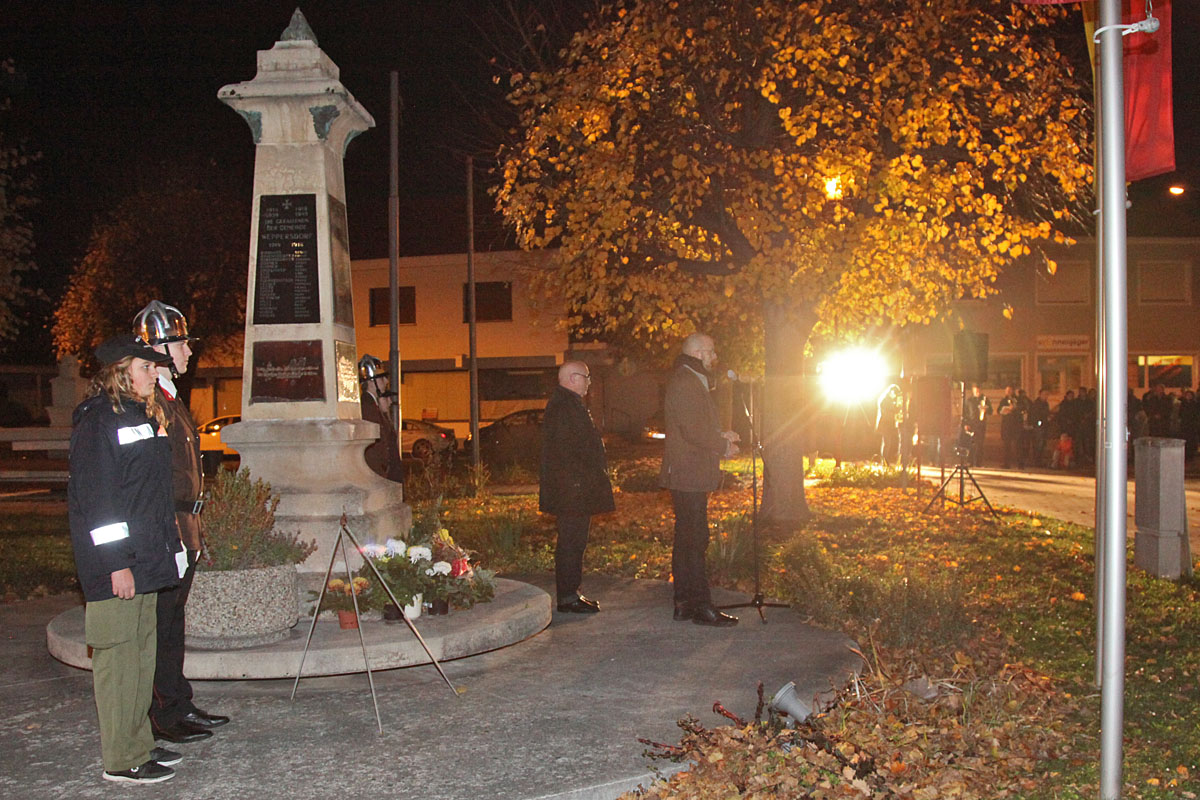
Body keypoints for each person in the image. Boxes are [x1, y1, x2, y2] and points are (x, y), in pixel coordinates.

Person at [69, 335, 181, 783]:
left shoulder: (138, 416)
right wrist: (117, 563)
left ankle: (140, 743)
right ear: (119, 372)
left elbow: (149, 495)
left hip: (146, 559)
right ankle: (121, 758)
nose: (154, 373)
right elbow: (100, 502)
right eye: (145, 367)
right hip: (119, 566)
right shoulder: (99, 421)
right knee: (119, 663)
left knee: (140, 658)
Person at [132, 301, 230, 745]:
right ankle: (163, 714)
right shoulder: (150, 400)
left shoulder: (169, 395)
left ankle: (178, 701)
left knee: (173, 624)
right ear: (159, 350)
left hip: (184, 523)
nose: (189, 351)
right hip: (166, 525)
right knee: (160, 625)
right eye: (181, 343)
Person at [659, 333, 740, 627]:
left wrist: (719, 435)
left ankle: (685, 603)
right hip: (688, 472)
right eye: (711, 351)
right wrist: (722, 445)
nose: (714, 356)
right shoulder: (686, 381)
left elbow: (694, 425)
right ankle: (701, 606)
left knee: (688, 539)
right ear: (699, 352)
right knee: (694, 540)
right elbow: (692, 430)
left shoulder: (690, 378)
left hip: (688, 471)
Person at [539, 361, 615, 613]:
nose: (589, 382)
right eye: (586, 376)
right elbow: (569, 451)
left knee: (574, 542)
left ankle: (572, 593)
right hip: (573, 491)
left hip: (573, 488)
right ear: (572, 378)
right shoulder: (565, 407)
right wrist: (583, 479)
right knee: (571, 543)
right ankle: (568, 596)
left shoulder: (567, 404)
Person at [359, 354, 404, 481]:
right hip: (378, 475)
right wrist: (381, 474)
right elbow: (375, 448)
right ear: (371, 382)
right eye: (381, 378)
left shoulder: (373, 405)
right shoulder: (367, 407)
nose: (386, 381)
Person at [997, 385, 1027, 469]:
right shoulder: (1003, 400)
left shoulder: (1018, 400)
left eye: (1010, 390)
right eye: (1007, 391)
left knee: (1018, 445)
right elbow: (999, 410)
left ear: (1013, 391)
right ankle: (1006, 463)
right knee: (1006, 445)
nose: (1008, 392)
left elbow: (1023, 408)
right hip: (1007, 426)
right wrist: (1005, 410)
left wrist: (1015, 408)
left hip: (1016, 425)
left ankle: (1020, 464)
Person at [962, 384, 991, 467]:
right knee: (971, 443)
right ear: (973, 390)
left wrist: (986, 409)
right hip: (971, 424)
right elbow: (965, 413)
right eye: (975, 390)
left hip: (981, 424)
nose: (977, 391)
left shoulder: (985, 399)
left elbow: (991, 411)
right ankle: (970, 461)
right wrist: (966, 424)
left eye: (978, 390)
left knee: (980, 444)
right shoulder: (969, 400)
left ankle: (978, 463)